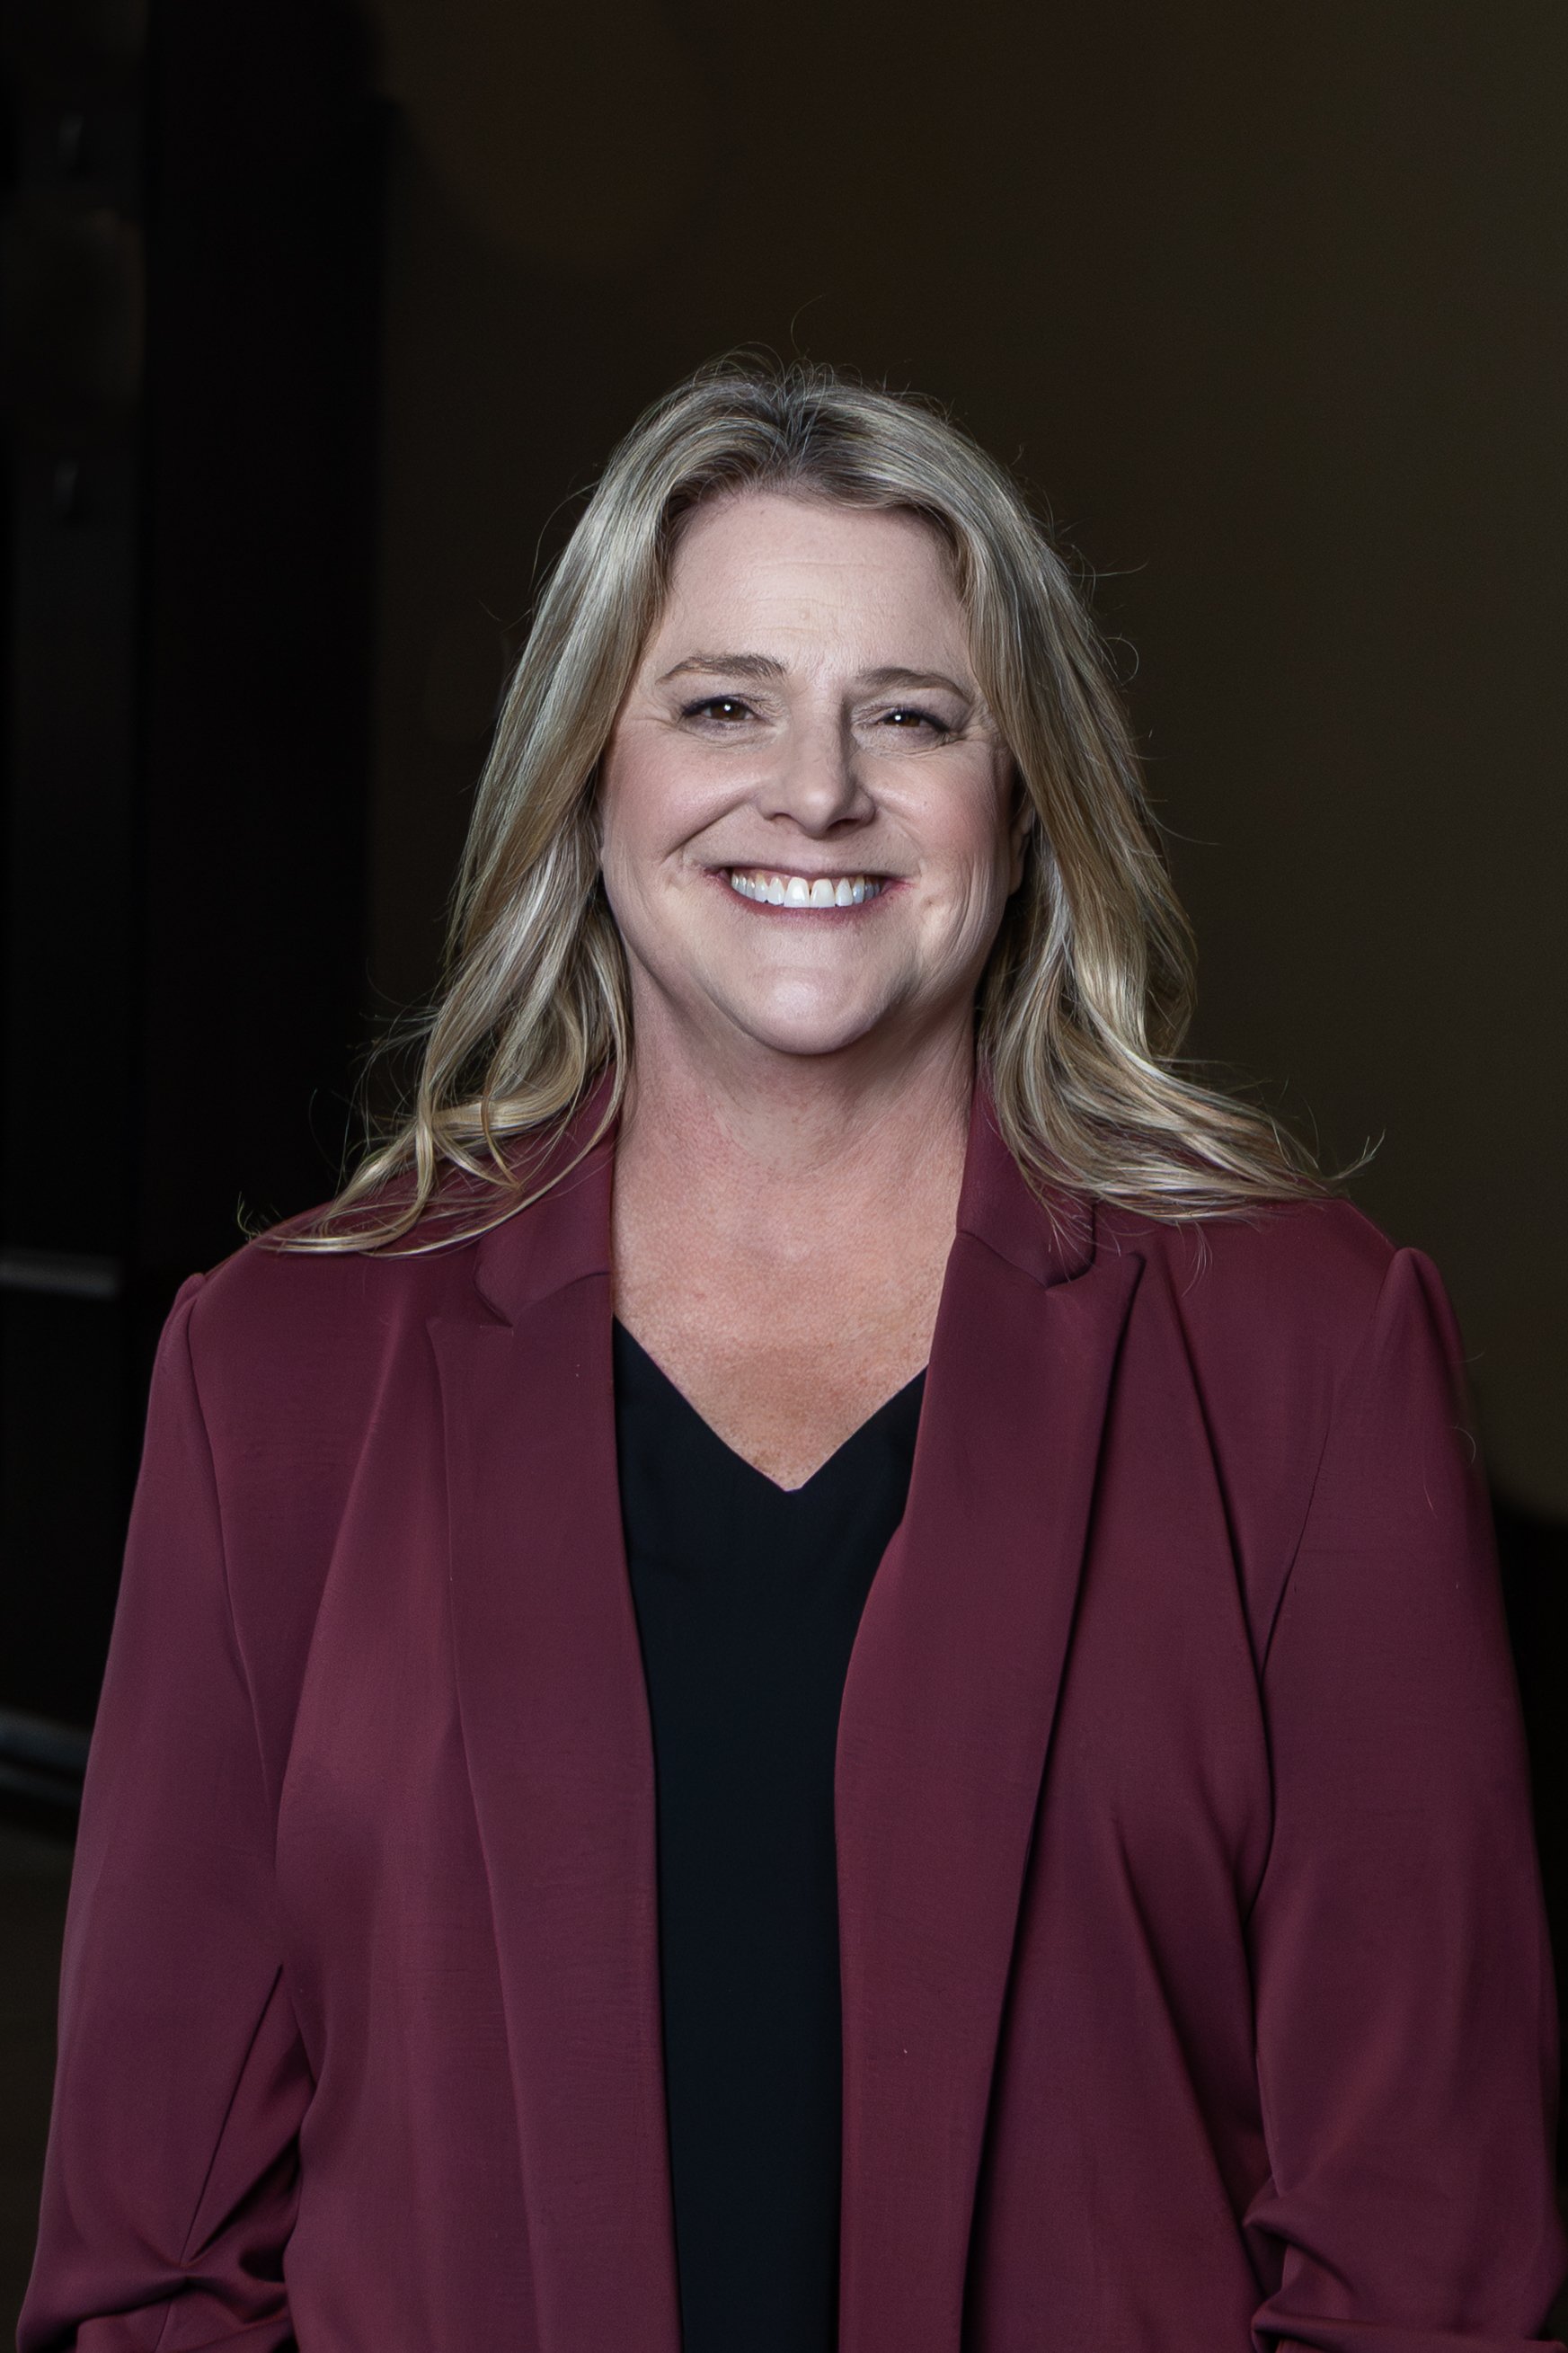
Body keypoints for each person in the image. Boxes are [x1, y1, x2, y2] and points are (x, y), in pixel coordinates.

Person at [20, 362, 1564, 2353]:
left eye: (910, 716)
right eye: (722, 702)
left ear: (1020, 801)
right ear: (594, 775)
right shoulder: (284, 1370)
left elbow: (1426, 2257)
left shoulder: (1306, 1354)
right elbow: (152, 2259)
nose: (816, 788)